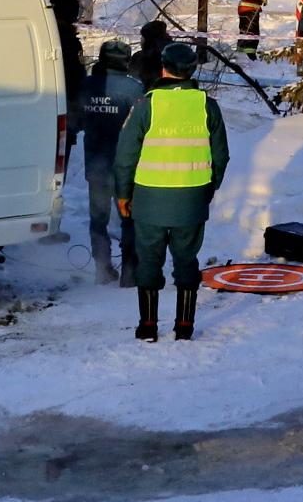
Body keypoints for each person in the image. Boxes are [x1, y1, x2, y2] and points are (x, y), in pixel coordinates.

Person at [114, 39, 230, 342]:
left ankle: (148, 326)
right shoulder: (207, 106)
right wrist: (208, 189)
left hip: (149, 199)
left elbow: (126, 155)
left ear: (164, 68)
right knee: (186, 261)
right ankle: (184, 327)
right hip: (191, 200)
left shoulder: (146, 104)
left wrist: (123, 194)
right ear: (192, 69)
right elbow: (221, 156)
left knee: (149, 260)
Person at [79, 39, 145, 285]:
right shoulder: (133, 88)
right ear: (126, 61)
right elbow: (142, 127)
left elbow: (76, 120)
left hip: (95, 162)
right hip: (125, 167)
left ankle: (102, 268)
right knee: (129, 218)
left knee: (98, 219)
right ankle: (130, 272)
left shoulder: (85, 85)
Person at [134, 17, 169, 90]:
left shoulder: (141, 57)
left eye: (142, 37)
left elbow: (133, 81)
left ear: (147, 39)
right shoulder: (176, 52)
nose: (141, 39)